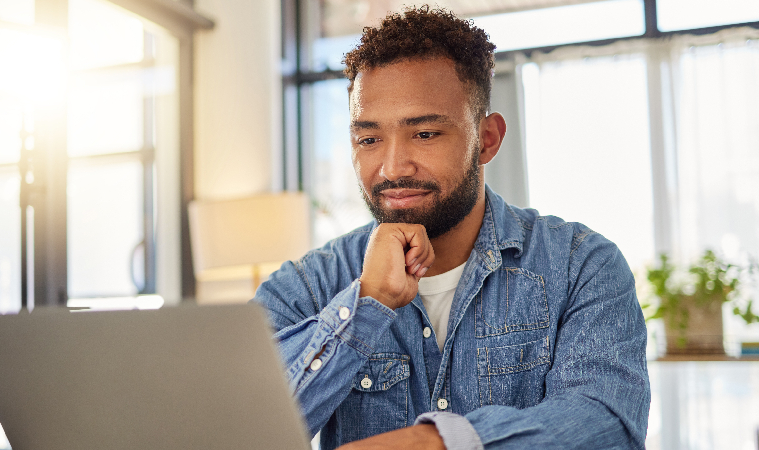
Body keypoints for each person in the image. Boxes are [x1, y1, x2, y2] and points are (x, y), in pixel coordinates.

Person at [252, 6, 650, 450]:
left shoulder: (581, 265)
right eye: (369, 139)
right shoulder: (306, 286)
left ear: (487, 139)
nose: (392, 167)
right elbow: (240, 429)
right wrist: (366, 305)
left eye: (425, 134)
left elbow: (607, 424)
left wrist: (434, 444)